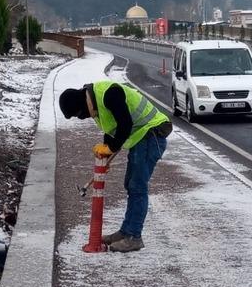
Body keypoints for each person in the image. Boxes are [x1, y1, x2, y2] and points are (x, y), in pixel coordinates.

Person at [59, 80, 172, 252]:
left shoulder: (109, 94)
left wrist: (111, 148)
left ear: (82, 104)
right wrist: (106, 155)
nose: (84, 117)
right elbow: (113, 129)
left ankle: (134, 237)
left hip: (152, 134)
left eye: (80, 115)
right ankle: (126, 232)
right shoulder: (96, 102)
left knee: (137, 187)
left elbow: (125, 124)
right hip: (142, 137)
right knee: (131, 185)